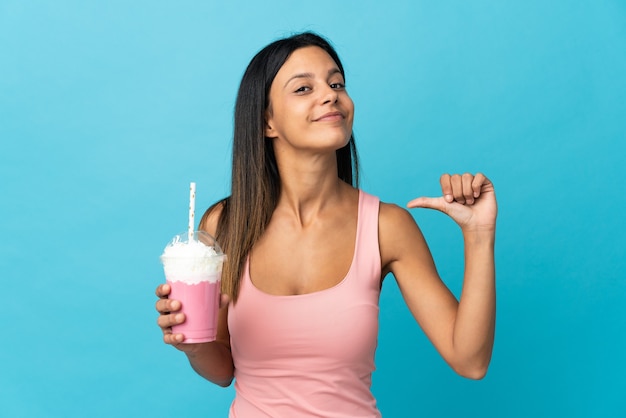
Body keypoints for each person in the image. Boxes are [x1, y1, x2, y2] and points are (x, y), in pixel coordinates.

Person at [155, 31, 497, 417]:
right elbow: (222, 370)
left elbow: (470, 360)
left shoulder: (387, 227)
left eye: (337, 83)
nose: (330, 94)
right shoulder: (225, 225)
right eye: (304, 88)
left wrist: (479, 235)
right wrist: (194, 345)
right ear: (268, 121)